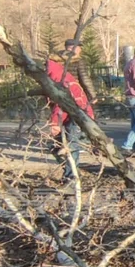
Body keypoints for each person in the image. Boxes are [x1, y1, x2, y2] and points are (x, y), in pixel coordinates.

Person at [46, 49, 95, 181]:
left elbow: (60, 102)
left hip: (78, 113)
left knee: (72, 145)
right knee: (53, 145)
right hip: (72, 112)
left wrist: (55, 122)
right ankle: (69, 169)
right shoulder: (57, 74)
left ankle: (71, 177)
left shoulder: (58, 77)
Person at [63, 38, 96, 103]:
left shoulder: (55, 59)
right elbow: (85, 79)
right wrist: (92, 96)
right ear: (73, 48)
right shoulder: (78, 60)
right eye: (79, 48)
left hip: (56, 91)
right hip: (74, 92)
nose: (80, 50)